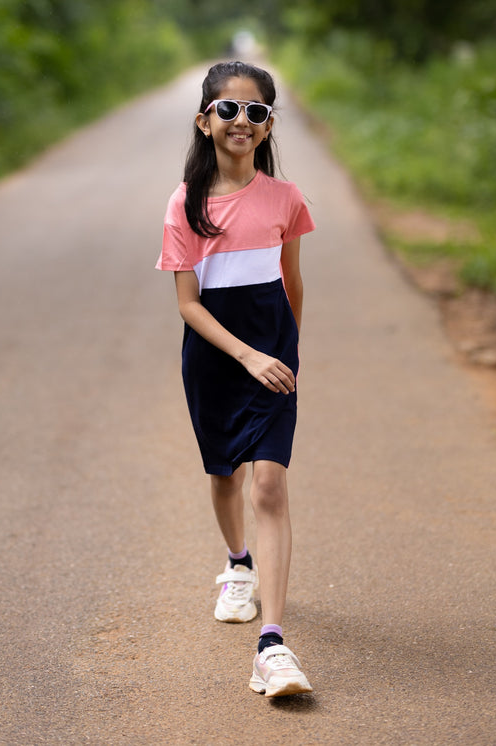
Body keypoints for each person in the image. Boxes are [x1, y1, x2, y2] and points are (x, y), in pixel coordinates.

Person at [156, 61, 315, 697]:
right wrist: (246, 355)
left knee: (270, 487)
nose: (241, 121)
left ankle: (271, 646)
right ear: (205, 120)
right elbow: (189, 304)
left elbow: (292, 282)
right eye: (228, 110)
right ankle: (238, 564)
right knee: (225, 475)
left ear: (269, 123)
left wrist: (287, 352)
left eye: (256, 111)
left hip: (274, 361)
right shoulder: (186, 203)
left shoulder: (286, 198)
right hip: (217, 360)